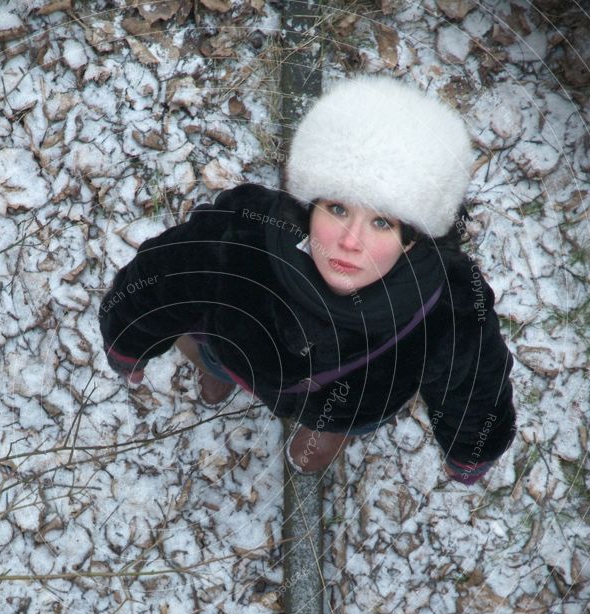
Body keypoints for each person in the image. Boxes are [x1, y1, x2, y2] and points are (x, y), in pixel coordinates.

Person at [98, 75, 516, 482]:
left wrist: (470, 451)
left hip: (346, 405)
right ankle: (218, 371)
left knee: (337, 416)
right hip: (235, 352)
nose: (351, 241)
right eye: (337, 209)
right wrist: (128, 343)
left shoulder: (449, 304)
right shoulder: (244, 232)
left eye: (381, 222)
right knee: (216, 359)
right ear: (309, 205)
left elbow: (476, 384)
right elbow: (160, 277)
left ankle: (325, 428)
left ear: (412, 240)